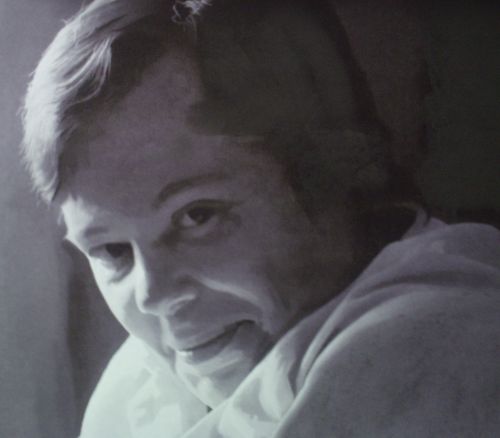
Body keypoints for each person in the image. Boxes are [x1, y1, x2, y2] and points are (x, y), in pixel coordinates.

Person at [21, 0, 500, 436]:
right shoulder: (137, 385)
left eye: (198, 215)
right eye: (112, 251)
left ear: (328, 173)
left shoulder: (431, 348)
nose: (153, 295)